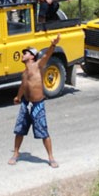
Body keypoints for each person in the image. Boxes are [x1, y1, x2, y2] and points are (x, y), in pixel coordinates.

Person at [9, 34, 60, 169]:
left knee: (44, 132)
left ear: (32, 56)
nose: (23, 54)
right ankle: (16, 154)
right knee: (19, 130)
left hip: (38, 104)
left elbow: (46, 56)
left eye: (25, 53)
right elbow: (23, 85)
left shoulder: (38, 65)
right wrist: (18, 97)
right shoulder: (24, 72)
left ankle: (51, 157)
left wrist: (53, 45)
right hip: (26, 104)